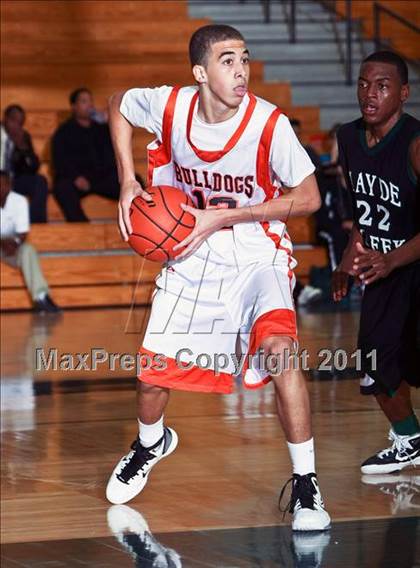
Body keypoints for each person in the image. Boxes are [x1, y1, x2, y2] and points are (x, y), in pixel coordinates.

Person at [106, 24, 331, 531]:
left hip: (258, 254)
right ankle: (151, 443)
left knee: (280, 351)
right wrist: (126, 180)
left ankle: (307, 484)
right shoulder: (170, 106)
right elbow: (118, 102)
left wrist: (223, 217)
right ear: (200, 73)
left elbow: (311, 197)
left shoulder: (268, 123)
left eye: (245, 59)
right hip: (191, 254)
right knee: (149, 381)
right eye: (228, 61)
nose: (242, 70)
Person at [333, 51, 420, 473]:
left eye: (382, 85)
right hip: (382, 272)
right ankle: (409, 439)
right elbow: (364, 213)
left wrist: (391, 260)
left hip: (412, 266)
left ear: (403, 93)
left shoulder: (415, 143)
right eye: (364, 83)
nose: (370, 93)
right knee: (374, 365)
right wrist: (346, 263)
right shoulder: (348, 138)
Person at [51, 88, 121, 222]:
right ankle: (82, 227)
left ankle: (137, 222)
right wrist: (75, 177)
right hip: (78, 180)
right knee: (62, 188)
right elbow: (60, 161)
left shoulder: (101, 129)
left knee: (133, 180)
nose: (89, 105)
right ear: (74, 107)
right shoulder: (64, 132)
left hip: (101, 178)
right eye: (84, 101)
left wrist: (111, 123)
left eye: (90, 101)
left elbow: (114, 154)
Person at [0, 171, 60, 313]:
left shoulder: (19, 201)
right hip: (2, 244)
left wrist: (14, 243)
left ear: (9, 185)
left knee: (28, 250)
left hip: (11, 246)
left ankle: (41, 297)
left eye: (3, 184)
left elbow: (22, 233)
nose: (0, 188)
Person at [1, 105, 49, 223]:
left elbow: (33, 167)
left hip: (14, 181)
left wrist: (23, 148)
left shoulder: (23, 137)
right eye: (13, 120)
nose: (16, 125)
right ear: (5, 118)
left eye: (20, 122)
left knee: (40, 181)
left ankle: (36, 224)